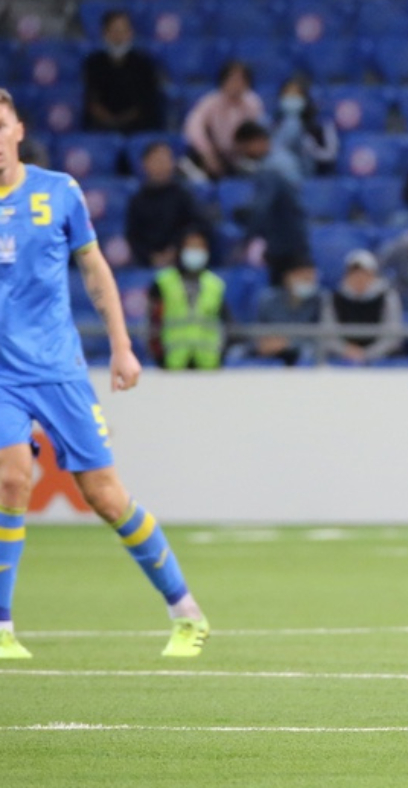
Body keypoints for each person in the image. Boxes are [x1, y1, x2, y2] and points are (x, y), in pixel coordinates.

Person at [0, 88, 209, 659]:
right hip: (2, 376)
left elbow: (93, 269)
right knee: (12, 479)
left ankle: (186, 612)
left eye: (0, 126)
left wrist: (121, 346)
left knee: (105, 495)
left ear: (18, 130)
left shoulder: (58, 192)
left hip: (59, 369)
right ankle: (2, 626)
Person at [231, 121, 310, 286]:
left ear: (257, 141)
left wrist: (247, 239)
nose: (244, 153)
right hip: (289, 238)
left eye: (245, 147)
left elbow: (262, 208)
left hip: (286, 243)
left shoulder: (272, 168)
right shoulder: (280, 160)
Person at [147, 227, 229, 370]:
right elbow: (153, 324)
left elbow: (226, 325)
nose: (195, 251)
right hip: (172, 363)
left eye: (199, 247)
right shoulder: (163, 283)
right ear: (180, 249)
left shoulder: (215, 285)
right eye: (191, 246)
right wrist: (160, 359)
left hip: (209, 365)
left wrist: (221, 356)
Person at [125, 141, 208, 268]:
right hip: (147, 259)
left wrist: (174, 250)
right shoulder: (137, 200)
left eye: (166, 159)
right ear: (145, 164)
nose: (162, 165)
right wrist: (151, 257)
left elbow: (197, 225)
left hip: (179, 257)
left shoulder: (183, 196)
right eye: (157, 160)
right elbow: (133, 236)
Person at [82, 9, 163, 134]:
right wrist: (108, 119)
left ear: (131, 33)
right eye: (114, 31)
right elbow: (91, 99)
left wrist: (123, 120)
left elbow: (147, 101)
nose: (119, 37)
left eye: (123, 31)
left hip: (138, 127)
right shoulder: (93, 63)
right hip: (101, 127)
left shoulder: (144, 64)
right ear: (105, 33)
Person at [182, 60, 265, 181]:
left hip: (242, 155)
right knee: (190, 161)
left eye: (241, 80)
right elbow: (193, 127)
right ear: (223, 81)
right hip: (215, 152)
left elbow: (259, 132)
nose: (236, 84)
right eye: (232, 80)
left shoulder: (253, 103)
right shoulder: (211, 101)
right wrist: (207, 153)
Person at [322, 250, 403, 365]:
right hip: (342, 359)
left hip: (381, 360)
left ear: (373, 274)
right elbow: (328, 334)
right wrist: (346, 351)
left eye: (365, 273)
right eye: (354, 273)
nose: (359, 278)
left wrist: (367, 354)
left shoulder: (387, 297)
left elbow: (392, 337)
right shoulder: (334, 298)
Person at [247, 263, 323, 366]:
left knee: (308, 351)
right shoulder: (268, 300)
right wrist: (264, 343)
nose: (308, 282)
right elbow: (256, 330)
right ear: (287, 277)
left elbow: (323, 337)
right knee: (238, 352)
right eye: (304, 278)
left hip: (302, 352)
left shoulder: (320, 302)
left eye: (311, 279)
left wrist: (288, 343)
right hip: (270, 350)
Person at [271, 77, 338, 178]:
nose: (291, 98)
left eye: (296, 94)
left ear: (305, 98)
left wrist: (311, 150)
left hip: (313, 175)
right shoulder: (274, 125)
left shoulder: (320, 126)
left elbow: (331, 154)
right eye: (287, 94)